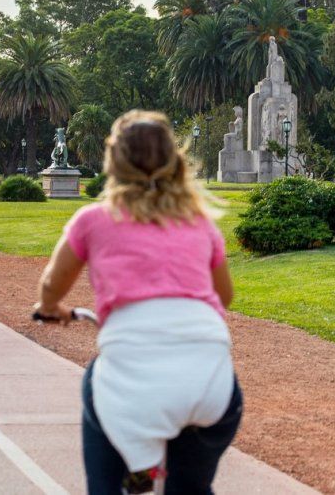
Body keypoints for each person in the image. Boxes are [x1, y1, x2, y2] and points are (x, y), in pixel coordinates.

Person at [34, 110, 241, 494]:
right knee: (191, 486)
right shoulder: (199, 222)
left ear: (114, 160)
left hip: (132, 381)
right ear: (175, 160)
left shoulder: (94, 219)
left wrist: (51, 309)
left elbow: (52, 286)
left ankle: (133, 478)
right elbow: (223, 296)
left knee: (106, 468)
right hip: (209, 381)